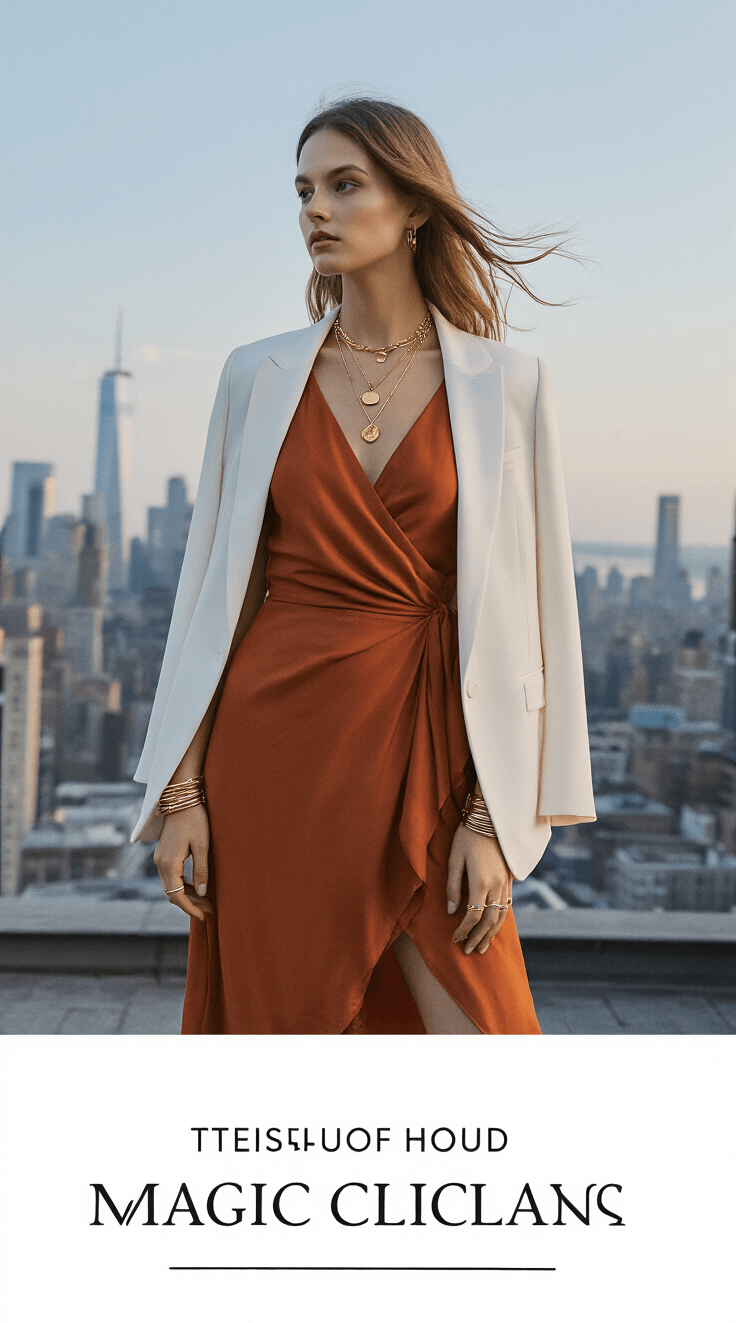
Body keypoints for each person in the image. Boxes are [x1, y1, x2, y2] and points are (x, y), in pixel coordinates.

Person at [130, 96, 595, 1035]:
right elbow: (214, 599)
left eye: (346, 185)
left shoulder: (508, 384)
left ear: (414, 205)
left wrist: (496, 816)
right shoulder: (256, 375)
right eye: (304, 190)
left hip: (436, 749)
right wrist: (181, 793)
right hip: (275, 754)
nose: (316, 209)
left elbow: (539, 610)